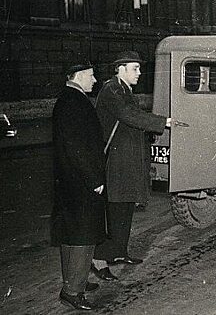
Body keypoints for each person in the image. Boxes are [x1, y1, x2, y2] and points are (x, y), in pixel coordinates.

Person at [91, 51, 171, 280]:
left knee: (125, 205)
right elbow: (128, 114)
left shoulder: (123, 89)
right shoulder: (112, 89)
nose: (139, 72)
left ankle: (118, 252)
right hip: (117, 160)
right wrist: (161, 122)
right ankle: (99, 258)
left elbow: (132, 115)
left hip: (126, 157)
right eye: (135, 68)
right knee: (116, 208)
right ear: (121, 68)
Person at [51, 63, 107, 310]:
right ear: (80, 76)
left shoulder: (69, 98)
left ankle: (75, 282)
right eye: (91, 75)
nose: (95, 80)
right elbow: (77, 148)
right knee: (83, 236)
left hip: (71, 182)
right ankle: (73, 290)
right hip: (82, 183)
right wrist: (94, 180)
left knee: (72, 235)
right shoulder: (74, 102)